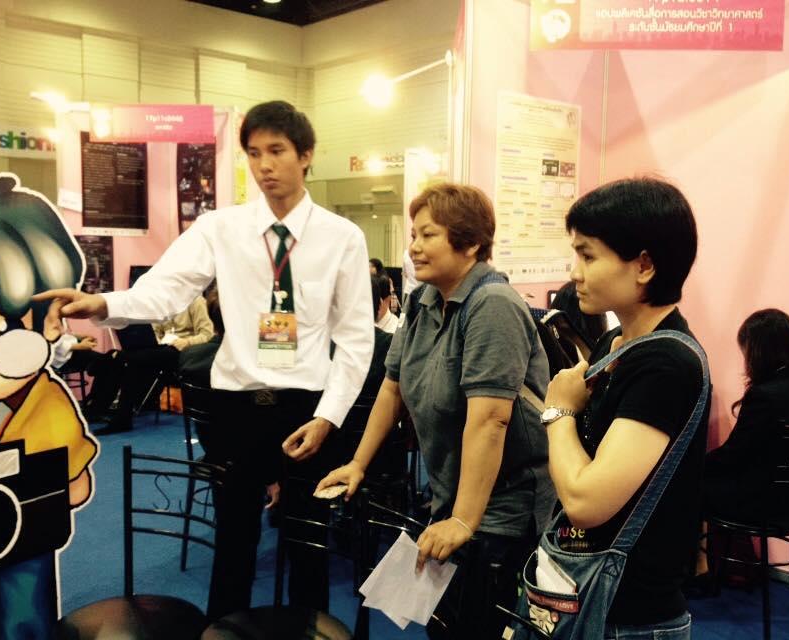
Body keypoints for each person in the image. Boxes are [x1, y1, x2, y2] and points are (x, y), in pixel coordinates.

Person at [35, 100, 374, 619]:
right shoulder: (222, 228)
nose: (264, 165)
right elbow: (165, 291)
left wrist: (329, 417)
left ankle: (311, 628)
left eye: (277, 151)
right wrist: (102, 304)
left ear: (306, 155)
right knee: (233, 544)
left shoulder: (342, 237)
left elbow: (355, 339)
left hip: (306, 410)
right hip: (234, 408)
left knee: (308, 545)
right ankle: (222, 630)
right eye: (254, 153)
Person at [317, 183, 556, 638]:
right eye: (413, 235)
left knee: (475, 627)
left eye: (428, 235)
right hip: (452, 496)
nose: (413, 247)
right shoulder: (422, 300)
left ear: (470, 243)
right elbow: (392, 389)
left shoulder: (493, 305)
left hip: (503, 506)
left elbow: (491, 420)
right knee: (445, 626)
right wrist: (358, 463)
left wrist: (463, 520)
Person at [542, 177, 707, 638]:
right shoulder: (617, 342)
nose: (575, 272)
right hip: (594, 593)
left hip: (630, 615)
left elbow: (586, 501)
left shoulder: (666, 364)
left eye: (588, 256)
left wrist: (558, 412)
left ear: (644, 266)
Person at [0, 174, 98, 640]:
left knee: (25, 614)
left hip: (27, 533)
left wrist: (72, 480)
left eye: (9, 326)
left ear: (51, 323)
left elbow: (75, 482)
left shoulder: (43, 401)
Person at [695, 309, 789, 579]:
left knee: (687, 486)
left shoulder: (764, 396)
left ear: (760, 350)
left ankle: (696, 567)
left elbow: (734, 455)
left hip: (757, 504)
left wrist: (696, 464)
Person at [89, 295, 214, 434]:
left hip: (186, 352)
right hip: (164, 350)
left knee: (133, 359)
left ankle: (118, 415)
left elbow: (208, 335)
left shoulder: (196, 301)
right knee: (135, 364)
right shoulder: (162, 303)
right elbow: (157, 333)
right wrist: (159, 341)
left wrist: (186, 342)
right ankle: (119, 417)